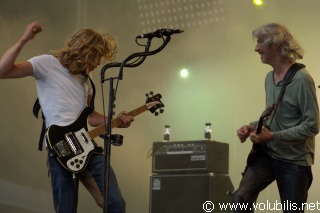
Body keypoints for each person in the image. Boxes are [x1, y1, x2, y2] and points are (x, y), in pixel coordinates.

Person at [0, 21, 134, 213]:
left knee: (115, 203)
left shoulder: (86, 81)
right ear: (86, 51)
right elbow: (3, 71)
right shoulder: (46, 63)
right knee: (66, 209)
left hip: (85, 146)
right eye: (97, 57)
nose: (97, 64)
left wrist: (116, 121)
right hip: (59, 147)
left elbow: (89, 116)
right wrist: (24, 39)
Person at [233, 23, 319, 212]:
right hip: (268, 154)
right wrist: (251, 127)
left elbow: (312, 125)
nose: (256, 48)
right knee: (239, 198)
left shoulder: (302, 79)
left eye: (260, 42)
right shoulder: (269, 78)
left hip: (294, 160)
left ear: (276, 44)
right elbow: (274, 117)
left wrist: (272, 137)